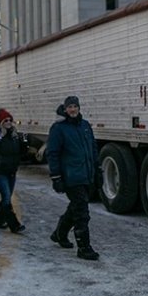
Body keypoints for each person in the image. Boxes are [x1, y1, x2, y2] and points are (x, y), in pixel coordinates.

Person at [46, 96, 101, 261]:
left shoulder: (85, 126)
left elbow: (92, 148)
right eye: (69, 107)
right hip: (71, 176)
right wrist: (56, 177)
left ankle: (59, 233)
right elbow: (53, 154)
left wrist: (97, 170)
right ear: (65, 109)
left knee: (76, 207)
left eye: (75, 106)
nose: (73, 109)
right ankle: (84, 247)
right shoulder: (58, 128)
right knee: (82, 212)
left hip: (85, 174)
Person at [0, 109, 27, 233]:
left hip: (11, 171)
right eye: (5, 120)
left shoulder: (14, 136)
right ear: (0, 122)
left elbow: (21, 153)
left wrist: (24, 143)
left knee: (6, 197)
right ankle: (14, 224)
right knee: (7, 197)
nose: (8, 122)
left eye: (9, 120)